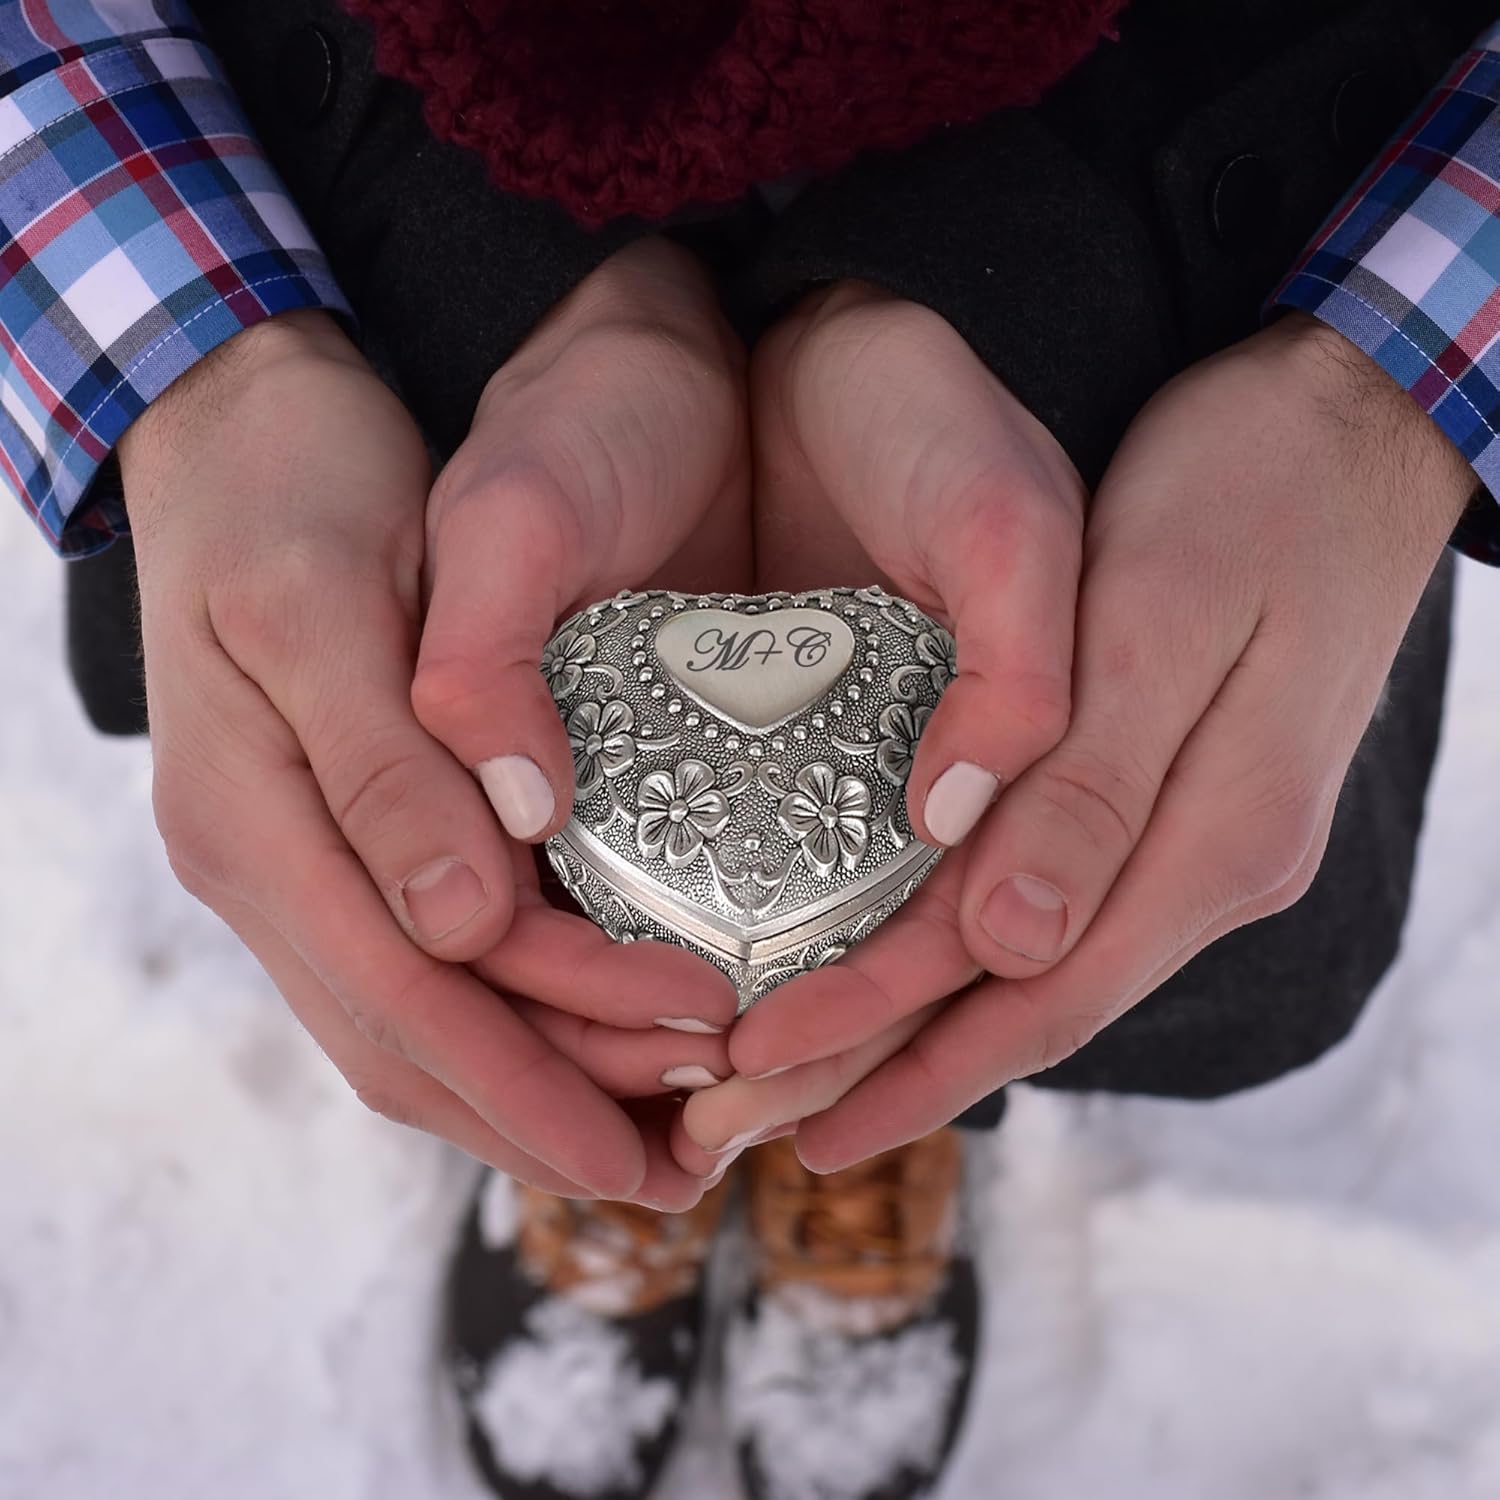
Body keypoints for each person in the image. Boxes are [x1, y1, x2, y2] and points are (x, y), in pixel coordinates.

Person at [7, 1, 1498, 1497]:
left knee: (1043, 844)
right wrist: (214, 359)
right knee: (474, 788)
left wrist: (1376, 390)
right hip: (385, 185)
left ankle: (859, 1121)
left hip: (1203, 226)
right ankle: (646, 1093)